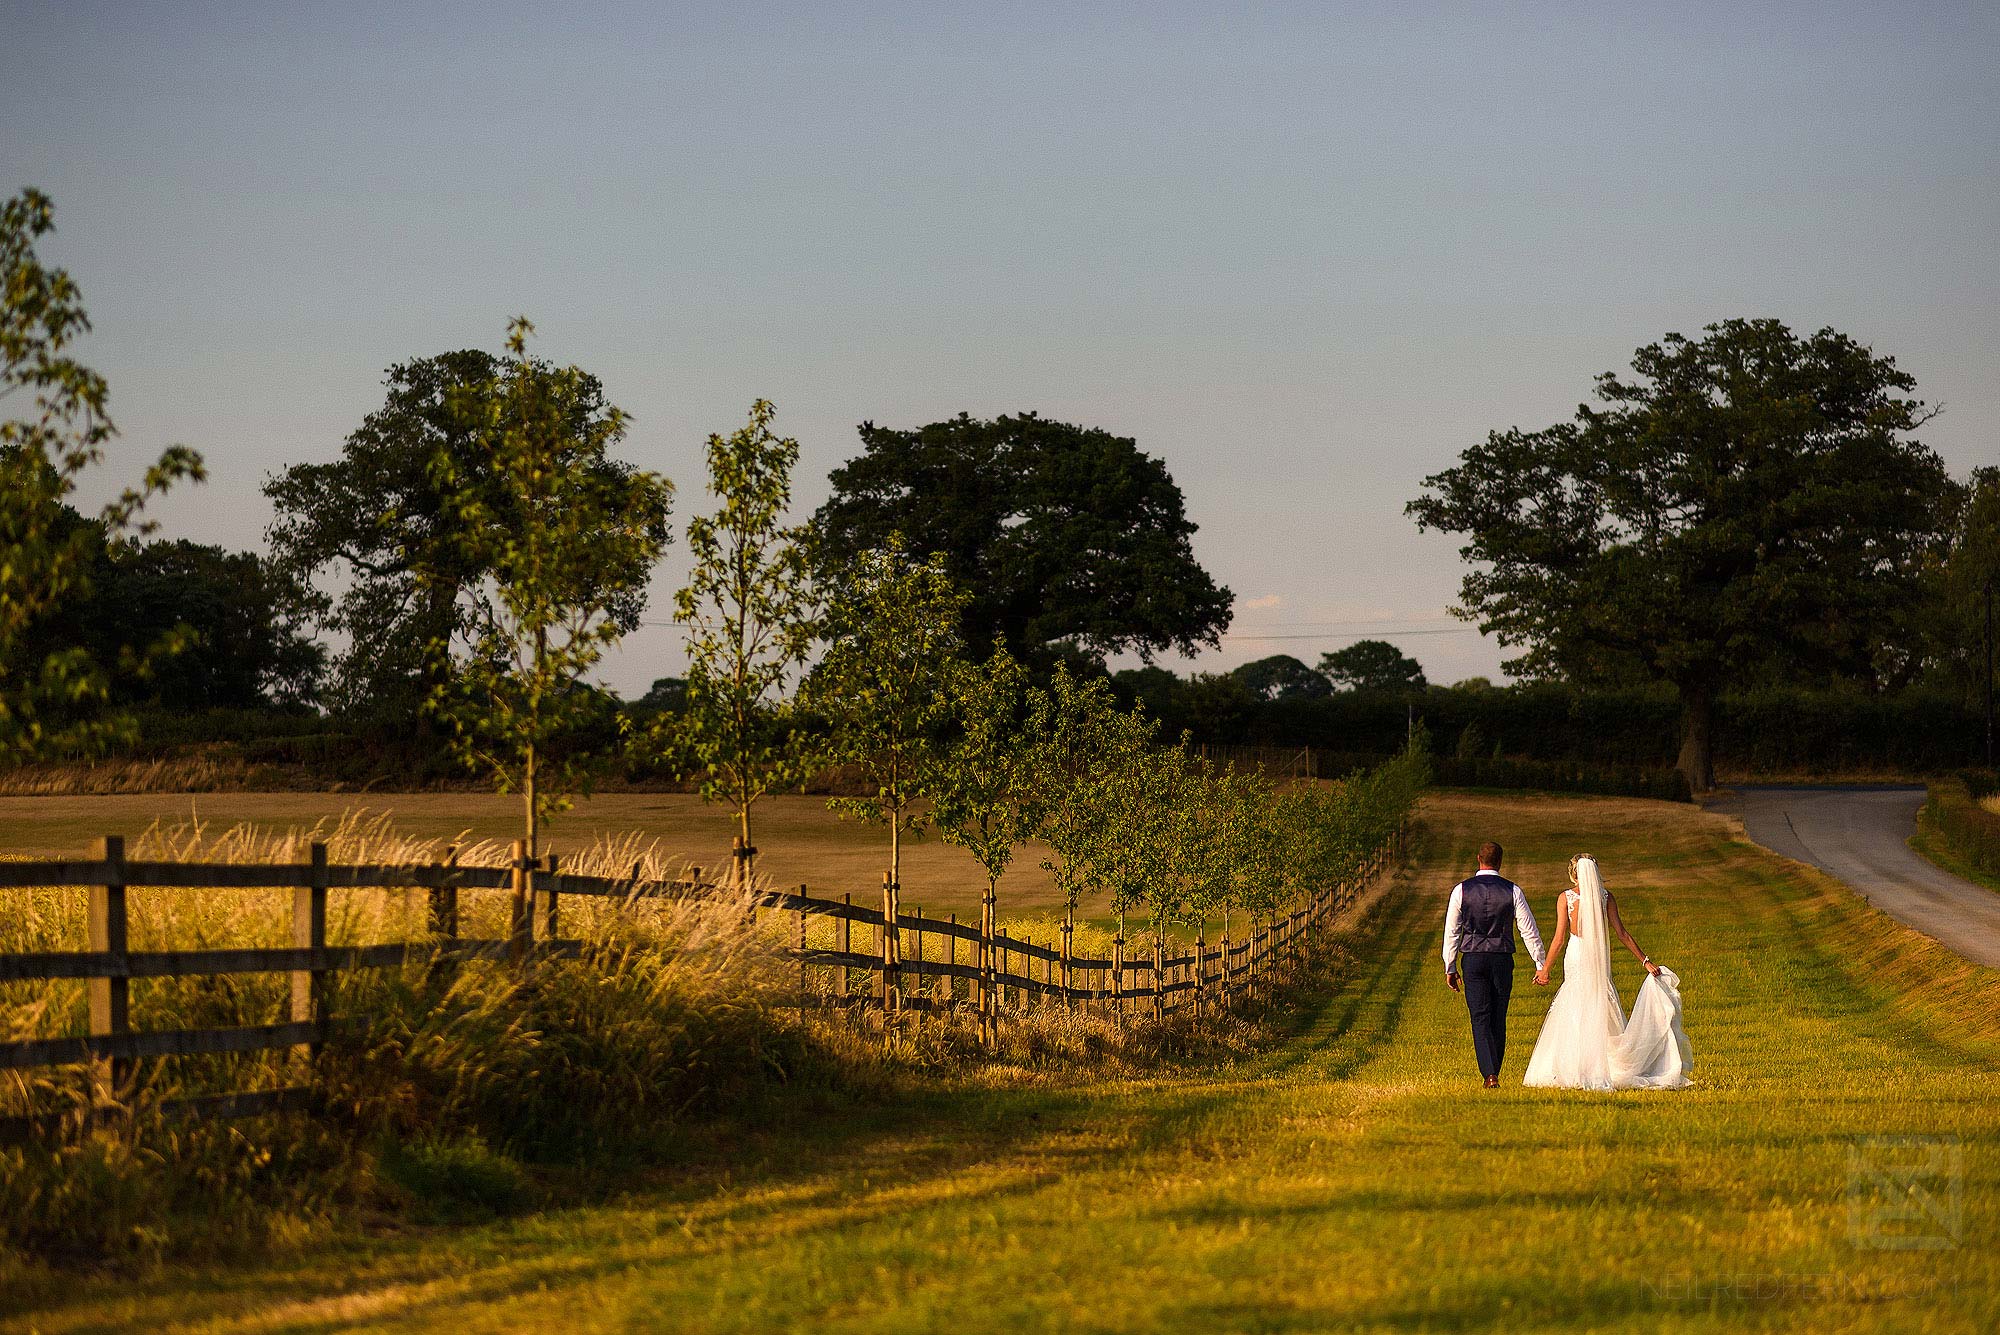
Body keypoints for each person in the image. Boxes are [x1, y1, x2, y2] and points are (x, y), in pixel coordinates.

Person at [1521, 854, 1692, 1090]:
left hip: (1577, 954)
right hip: (1597, 956)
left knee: (1575, 1003)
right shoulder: (1606, 897)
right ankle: (1598, 1062)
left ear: (1573, 873)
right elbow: (1621, 933)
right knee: (1598, 1003)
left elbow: (1559, 938)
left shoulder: (1566, 898)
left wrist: (1545, 969)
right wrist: (1645, 961)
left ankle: (1575, 1065)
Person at [1441, 840, 1547, 1088]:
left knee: (1479, 1016)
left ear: (1479, 859)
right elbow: (1527, 929)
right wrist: (1539, 961)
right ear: (1500, 861)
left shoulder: (1461, 890)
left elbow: (1452, 931)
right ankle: (1493, 1070)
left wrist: (1450, 965)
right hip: (1501, 958)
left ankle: (1490, 1073)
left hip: (1474, 959)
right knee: (1499, 1016)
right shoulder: (1513, 891)